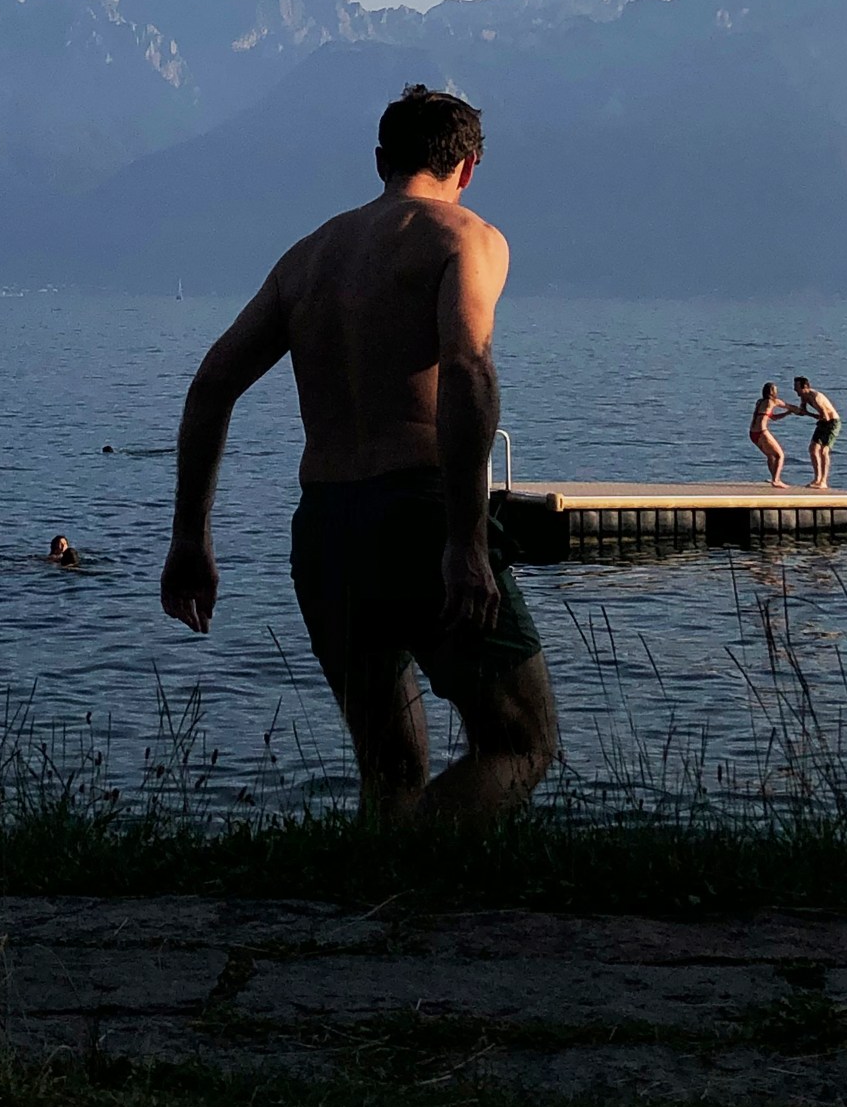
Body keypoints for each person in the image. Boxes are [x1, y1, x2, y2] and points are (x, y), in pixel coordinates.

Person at [160, 84, 557, 824]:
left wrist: (190, 537)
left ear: (380, 160)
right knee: (521, 743)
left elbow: (211, 385)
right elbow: (467, 369)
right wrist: (466, 543)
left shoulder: (308, 258)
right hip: (418, 511)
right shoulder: (465, 238)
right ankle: (397, 883)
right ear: (467, 168)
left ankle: (376, 921)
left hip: (326, 528)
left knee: (389, 769)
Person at [793, 377, 841, 489]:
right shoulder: (804, 396)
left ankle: (823, 481)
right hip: (822, 422)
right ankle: (817, 479)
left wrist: (809, 414)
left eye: (797, 387)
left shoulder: (816, 397)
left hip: (832, 422)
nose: (795, 390)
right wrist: (798, 410)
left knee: (824, 451)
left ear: (804, 387)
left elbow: (825, 417)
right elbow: (803, 409)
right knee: (813, 449)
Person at [748, 381, 799, 486]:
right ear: (772, 392)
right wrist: (800, 411)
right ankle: (776, 480)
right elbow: (789, 406)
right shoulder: (773, 402)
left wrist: (787, 414)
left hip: (753, 433)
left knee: (770, 455)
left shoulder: (760, 402)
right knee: (780, 455)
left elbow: (773, 418)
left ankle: (774, 479)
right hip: (762, 432)